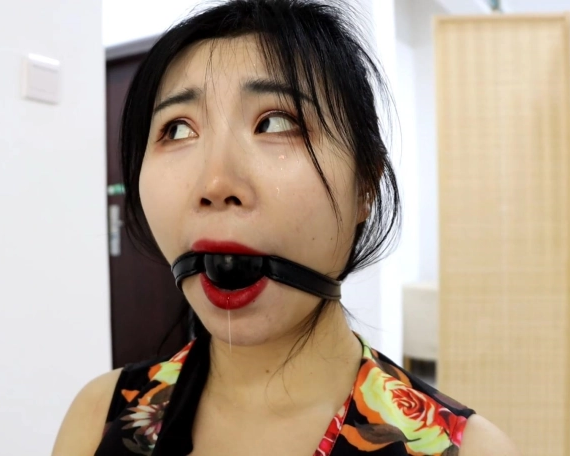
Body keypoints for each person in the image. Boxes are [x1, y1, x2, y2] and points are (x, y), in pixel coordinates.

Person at [53, 1, 517, 455]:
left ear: (365, 186)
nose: (215, 184)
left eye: (276, 122)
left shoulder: (468, 450)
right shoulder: (99, 414)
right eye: (177, 129)